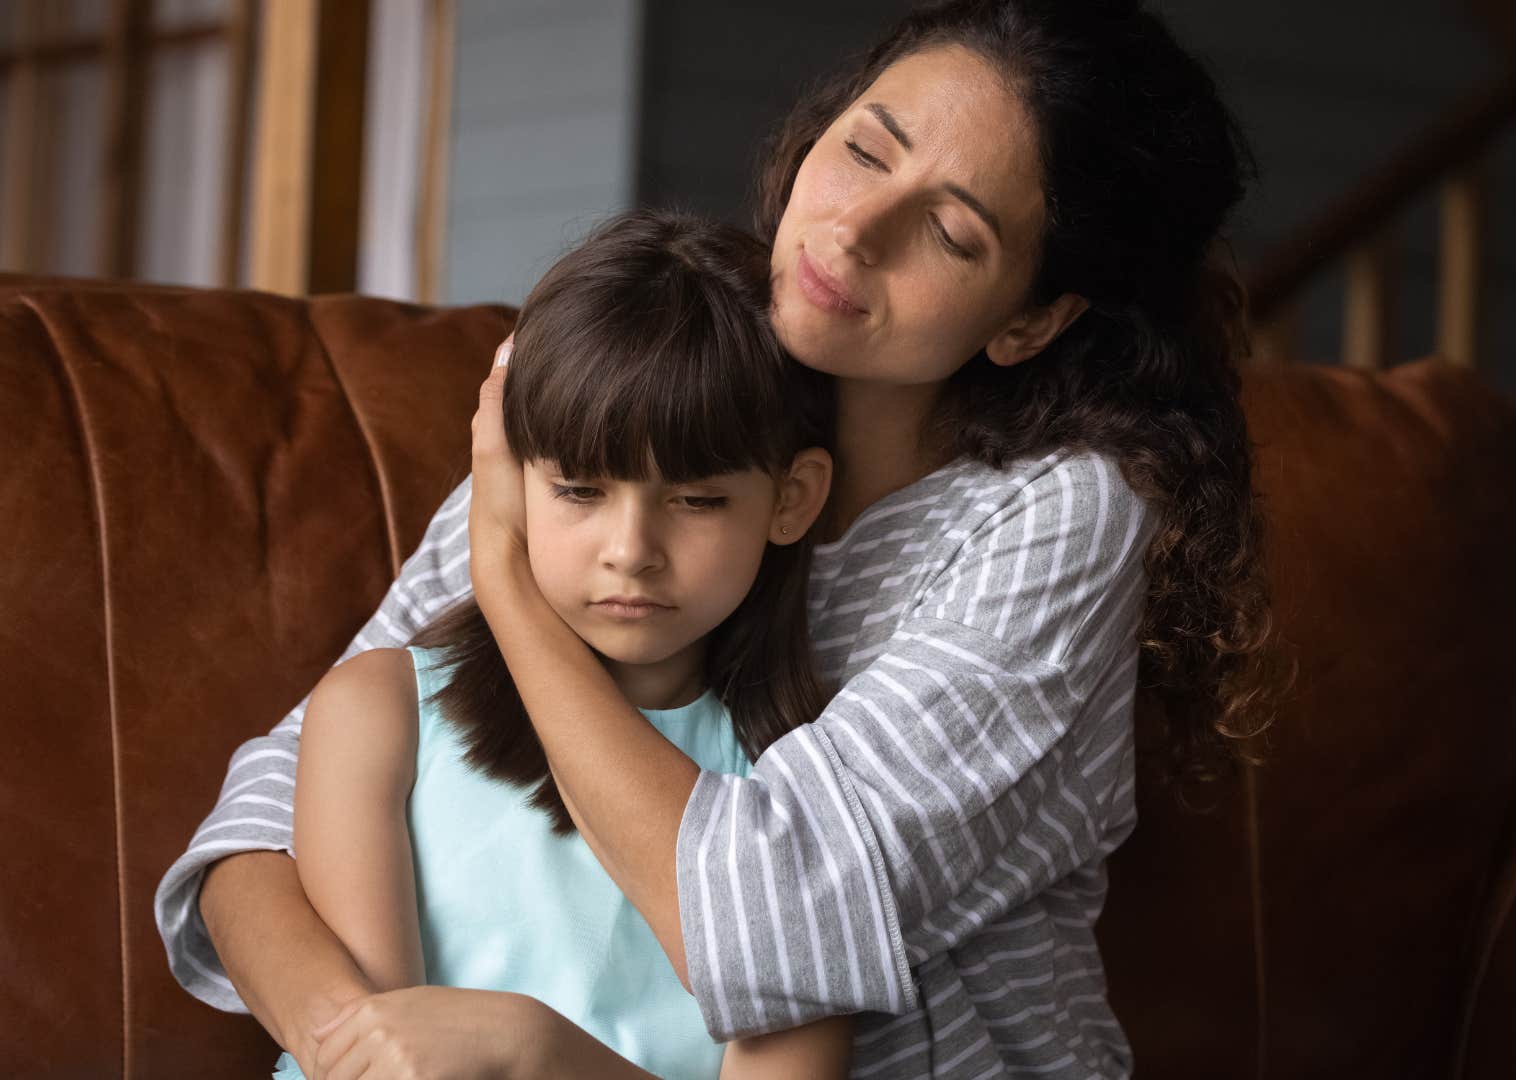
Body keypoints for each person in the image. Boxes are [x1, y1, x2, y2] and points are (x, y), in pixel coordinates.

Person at [155, 1, 1276, 1075]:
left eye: (947, 231)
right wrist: (360, 1042)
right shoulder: (658, 405)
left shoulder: (1058, 520)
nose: (853, 228)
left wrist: (504, 576)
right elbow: (269, 808)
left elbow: (775, 928)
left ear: (1031, 318)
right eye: (865, 152)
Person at [271, 210, 848, 1078]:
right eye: (579, 489)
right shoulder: (379, 712)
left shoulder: (820, 785)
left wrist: (537, 1052)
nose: (631, 550)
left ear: (792, 499)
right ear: (506, 481)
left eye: (696, 500)